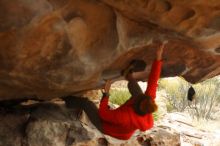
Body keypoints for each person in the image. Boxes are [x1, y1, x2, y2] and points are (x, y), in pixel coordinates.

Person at [64, 43, 165, 140]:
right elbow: (153, 80)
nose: (138, 97)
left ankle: (66, 99)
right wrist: (158, 57)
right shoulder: (147, 101)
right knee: (138, 93)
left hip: (107, 127)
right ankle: (128, 75)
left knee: (86, 103)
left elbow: (103, 113)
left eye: (137, 100)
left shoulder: (124, 117)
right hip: (129, 117)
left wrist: (106, 93)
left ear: (136, 105)